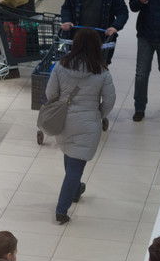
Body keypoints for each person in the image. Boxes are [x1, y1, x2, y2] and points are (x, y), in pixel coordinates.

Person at [46, 28, 116, 223]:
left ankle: (75, 189)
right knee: (76, 166)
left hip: (63, 120)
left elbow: (51, 93)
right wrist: (98, 113)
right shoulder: (101, 71)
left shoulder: (61, 65)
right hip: (87, 123)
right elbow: (110, 100)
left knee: (71, 155)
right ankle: (61, 210)